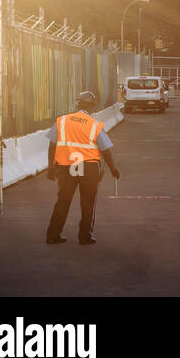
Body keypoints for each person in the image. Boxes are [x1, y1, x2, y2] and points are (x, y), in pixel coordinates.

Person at [45, 91, 119, 246]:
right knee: (88, 202)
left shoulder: (62, 121)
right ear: (92, 107)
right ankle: (85, 237)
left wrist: (50, 167)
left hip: (66, 167)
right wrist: (112, 168)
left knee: (63, 201)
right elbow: (105, 150)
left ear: (77, 104)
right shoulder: (94, 125)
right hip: (88, 168)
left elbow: (52, 146)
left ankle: (53, 235)